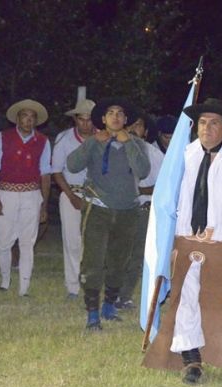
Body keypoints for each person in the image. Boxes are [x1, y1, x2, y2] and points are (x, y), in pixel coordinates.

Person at [142, 98, 222, 384]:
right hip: (186, 240)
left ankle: (209, 352)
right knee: (184, 300)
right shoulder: (181, 157)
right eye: (203, 123)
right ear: (196, 128)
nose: (208, 128)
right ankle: (191, 360)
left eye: (215, 123)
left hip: (218, 243)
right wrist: (164, 241)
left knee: (214, 303)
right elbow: (166, 201)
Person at [66, 97, 151, 329]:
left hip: (127, 210)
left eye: (119, 113)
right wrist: (92, 142)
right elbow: (72, 165)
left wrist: (129, 143)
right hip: (98, 208)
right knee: (93, 261)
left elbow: (143, 170)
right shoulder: (95, 141)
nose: (115, 116)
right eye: (110, 113)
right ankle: (92, 313)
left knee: (119, 262)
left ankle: (109, 305)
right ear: (103, 119)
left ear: (126, 120)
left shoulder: (136, 143)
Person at [0, 99, 52, 297]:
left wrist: (44, 205)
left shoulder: (42, 141)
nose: (28, 120)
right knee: (3, 240)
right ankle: (5, 281)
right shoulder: (2, 138)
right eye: (25, 115)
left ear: (36, 121)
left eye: (32, 117)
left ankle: (24, 288)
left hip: (32, 195)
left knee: (27, 242)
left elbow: (45, 174)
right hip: (7, 193)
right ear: (17, 118)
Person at [118, 108, 165, 309]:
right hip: (118, 209)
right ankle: (112, 293)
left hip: (142, 210)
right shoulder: (116, 149)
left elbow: (163, 186)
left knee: (136, 255)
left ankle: (125, 295)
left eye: (139, 125)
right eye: (131, 125)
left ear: (146, 131)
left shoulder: (153, 153)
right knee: (116, 253)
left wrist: (134, 190)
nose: (134, 129)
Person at [51, 98, 96, 300]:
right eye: (81, 119)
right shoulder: (64, 139)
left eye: (89, 119)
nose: (85, 124)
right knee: (72, 241)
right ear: (75, 120)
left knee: (94, 242)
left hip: (97, 196)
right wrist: (71, 196)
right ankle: (72, 286)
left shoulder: (103, 138)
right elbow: (57, 171)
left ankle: (91, 282)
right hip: (72, 192)